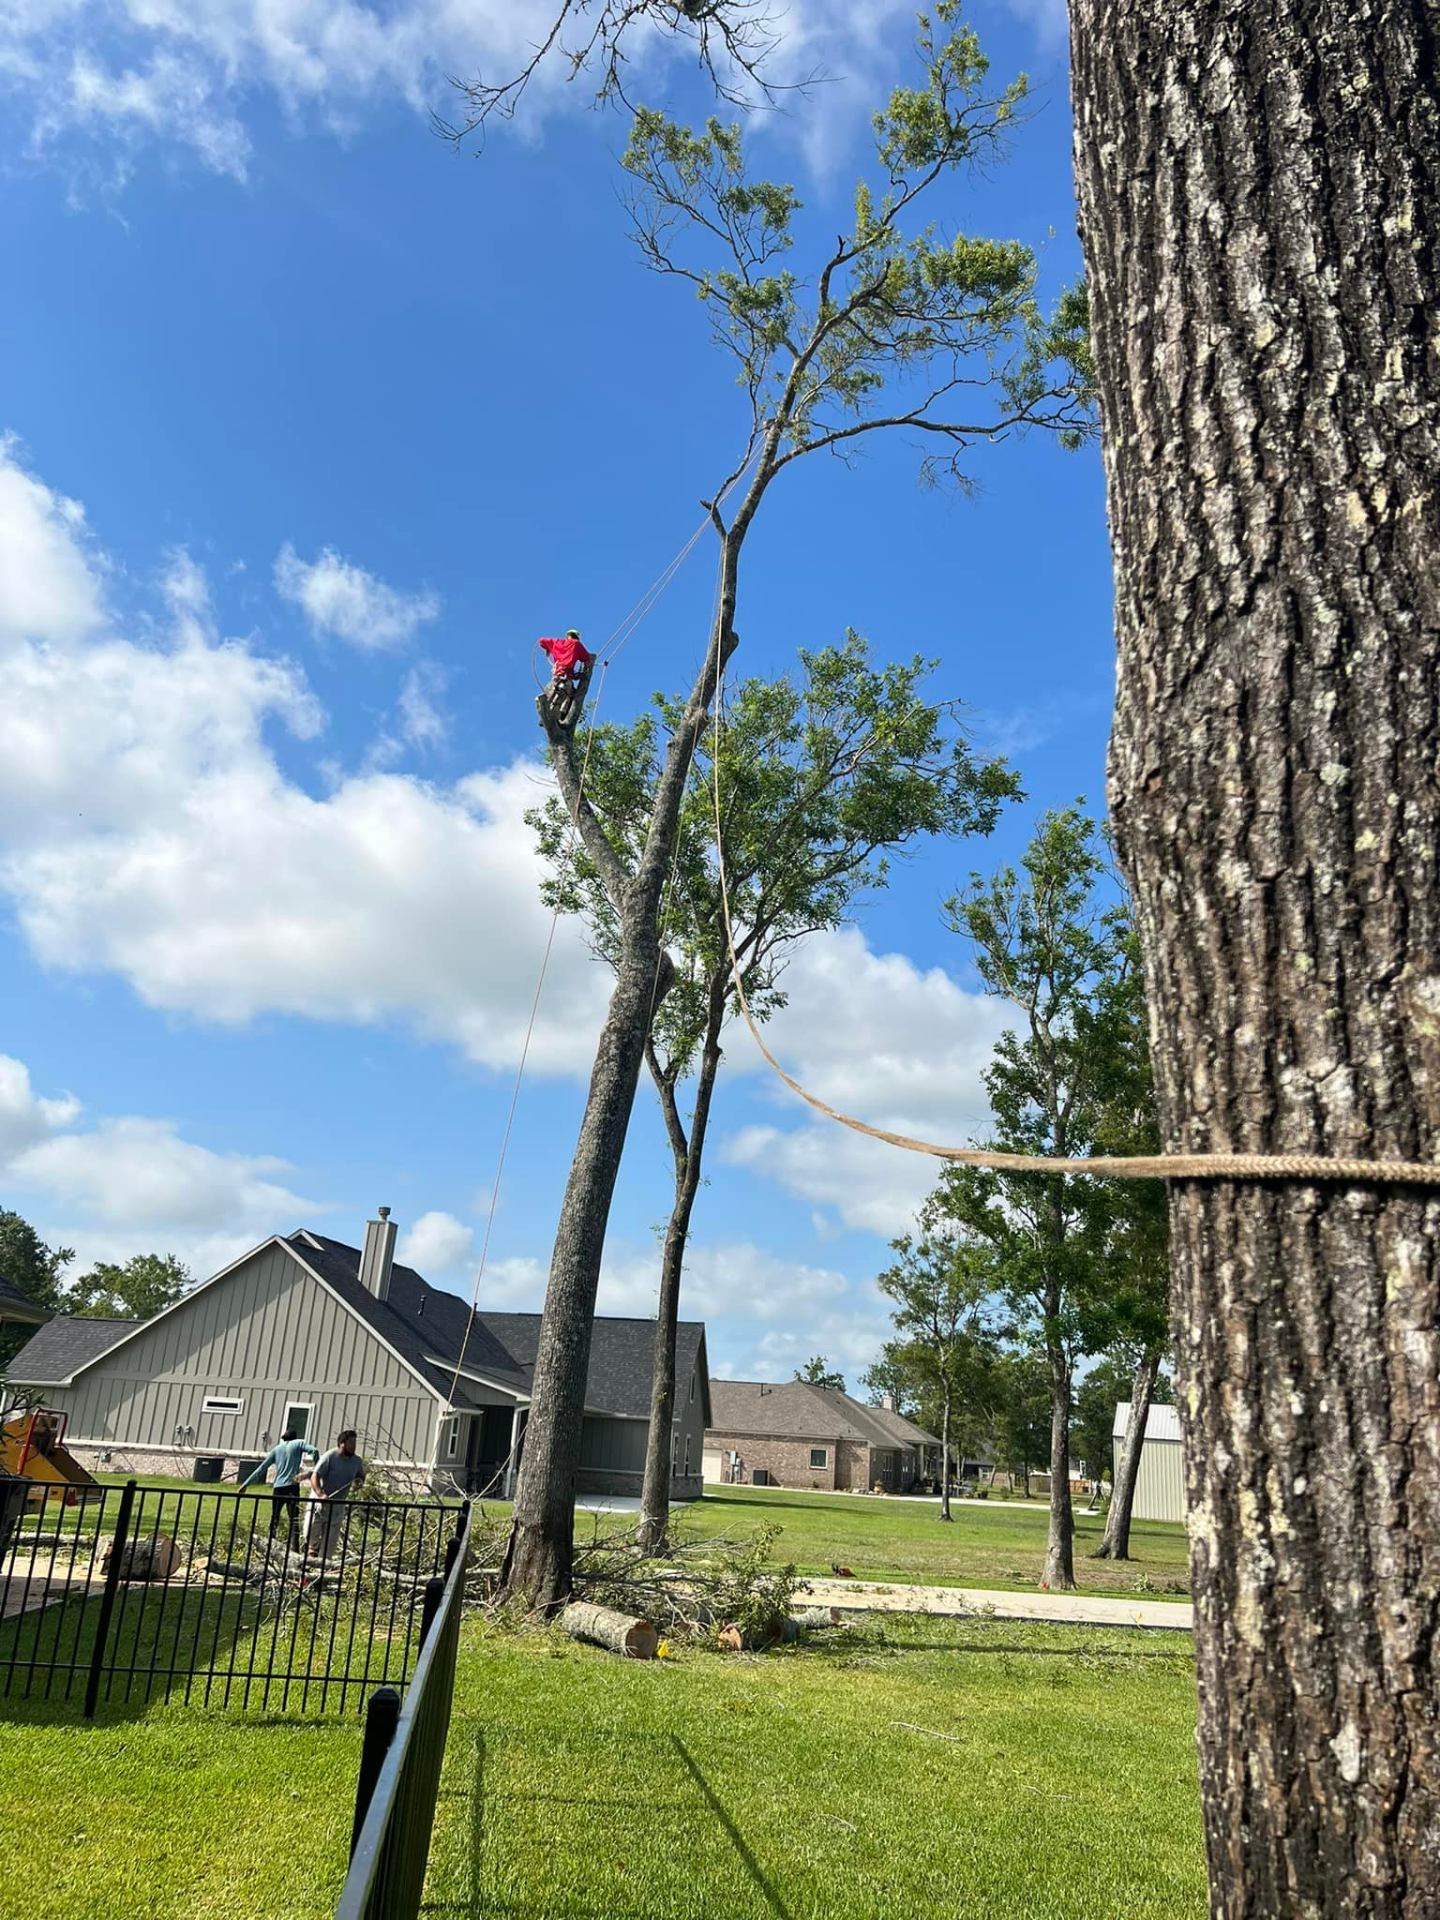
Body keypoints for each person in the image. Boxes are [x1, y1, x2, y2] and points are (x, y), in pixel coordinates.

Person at [239, 1429, 320, 1549]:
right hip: (292, 1486)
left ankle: (271, 1543)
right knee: (294, 1518)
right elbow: (314, 1450)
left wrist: (246, 1484)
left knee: (275, 1516)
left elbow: (262, 1468)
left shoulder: (277, 1449)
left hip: (278, 1487)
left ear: (283, 1438)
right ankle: (295, 1547)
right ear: (294, 1437)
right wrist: (317, 1468)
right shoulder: (299, 1443)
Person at [302, 1429, 367, 1567]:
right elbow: (315, 1476)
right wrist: (320, 1494)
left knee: (329, 1547)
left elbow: (360, 1477)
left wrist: (359, 1482)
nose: (354, 1446)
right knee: (311, 1539)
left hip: (338, 1507)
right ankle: (307, 1568)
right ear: (342, 1444)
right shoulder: (330, 1456)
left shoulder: (356, 1461)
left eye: (355, 1443)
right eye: (351, 1443)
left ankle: (322, 1574)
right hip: (320, 1503)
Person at [537, 628, 596, 729]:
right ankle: (553, 716)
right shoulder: (576, 644)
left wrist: (548, 648)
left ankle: (550, 715)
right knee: (566, 694)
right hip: (565, 676)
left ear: (567, 636)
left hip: (557, 674)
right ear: (577, 637)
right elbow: (586, 657)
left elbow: (541, 641)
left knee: (563, 692)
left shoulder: (557, 642)